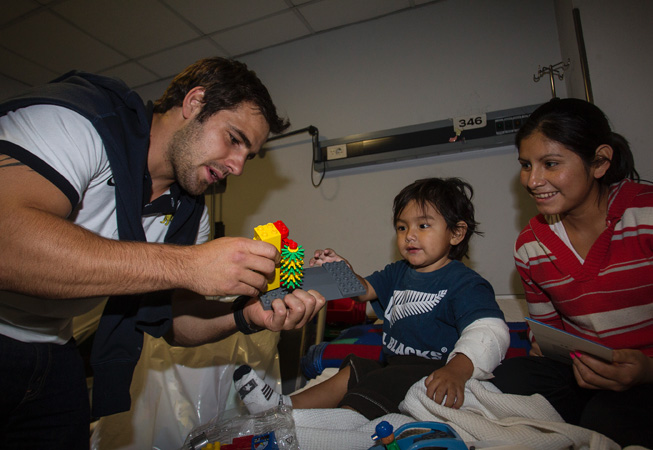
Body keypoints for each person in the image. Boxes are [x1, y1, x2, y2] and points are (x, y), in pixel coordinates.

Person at [0, 57, 325, 449]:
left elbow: (171, 323)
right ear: (194, 103)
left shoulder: (189, 213)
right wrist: (187, 265)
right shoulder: (78, 121)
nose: (238, 167)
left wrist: (245, 315)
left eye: (248, 155)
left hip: (54, 352)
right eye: (234, 139)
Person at [234, 177, 509, 419]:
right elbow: (363, 290)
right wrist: (339, 270)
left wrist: (457, 371)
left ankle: (330, 426)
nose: (409, 236)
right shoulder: (398, 272)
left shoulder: (465, 283)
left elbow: (488, 331)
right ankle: (283, 407)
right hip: (392, 363)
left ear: (457, 233)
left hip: (432, 372)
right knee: (354, 369)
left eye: (423, 226)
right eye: (402, 228)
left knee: (378, 384)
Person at [489, 98, 653, 448]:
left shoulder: (646, 216)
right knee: (507, 378)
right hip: (587, 374)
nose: (533, 181)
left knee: (607, 421)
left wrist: (647, 370)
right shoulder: (530, 246)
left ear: (600, 162)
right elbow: (548, 336)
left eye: (550, 164)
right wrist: (558, 353)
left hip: (648, 373)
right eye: (526, 165)